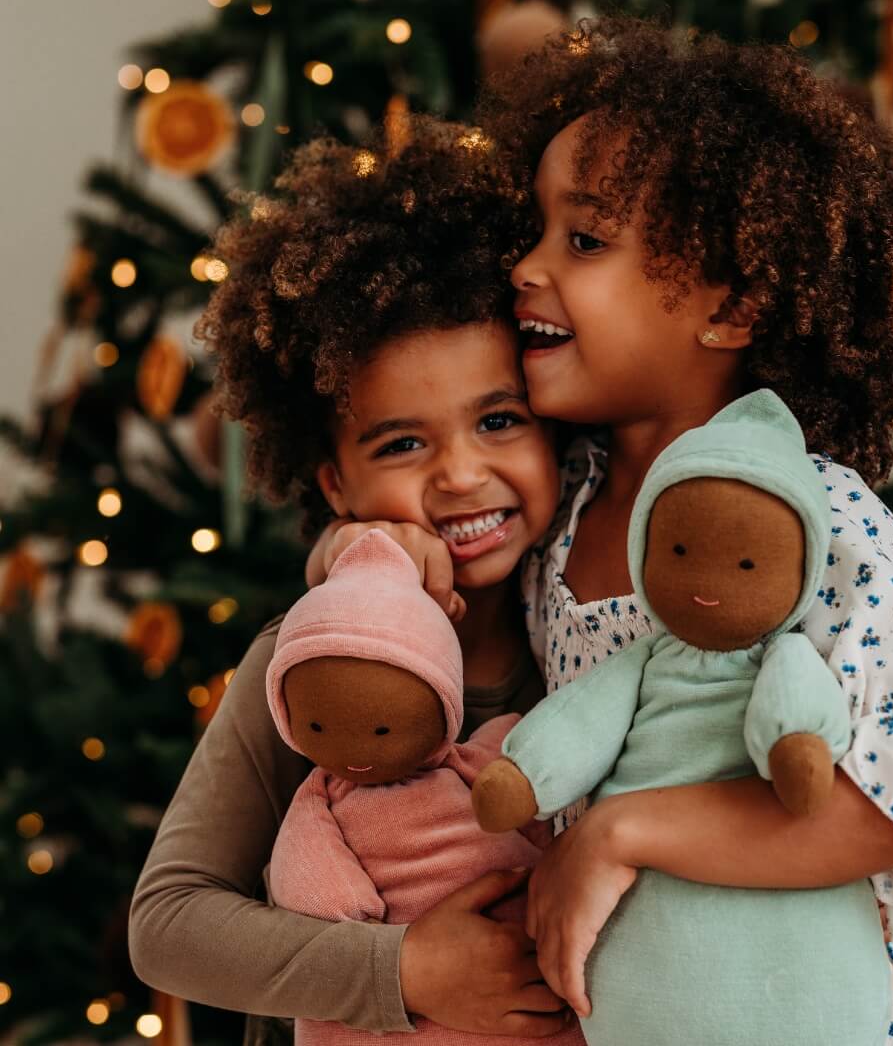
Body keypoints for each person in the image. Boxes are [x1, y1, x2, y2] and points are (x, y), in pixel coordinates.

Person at [467, 16, 893, 1045]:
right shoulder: (557, 512)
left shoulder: (821, 522)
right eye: (532, 233)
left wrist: (625, 831)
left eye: (584, 240)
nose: (527, 268)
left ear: (733, 304)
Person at [128, 119, 573, 1043]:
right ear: (337, 482)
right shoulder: (313, 661)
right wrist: (403, 968)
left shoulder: (590, 628)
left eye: (500, 420)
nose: (459, 475)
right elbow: (167, 923)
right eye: (403, 442)